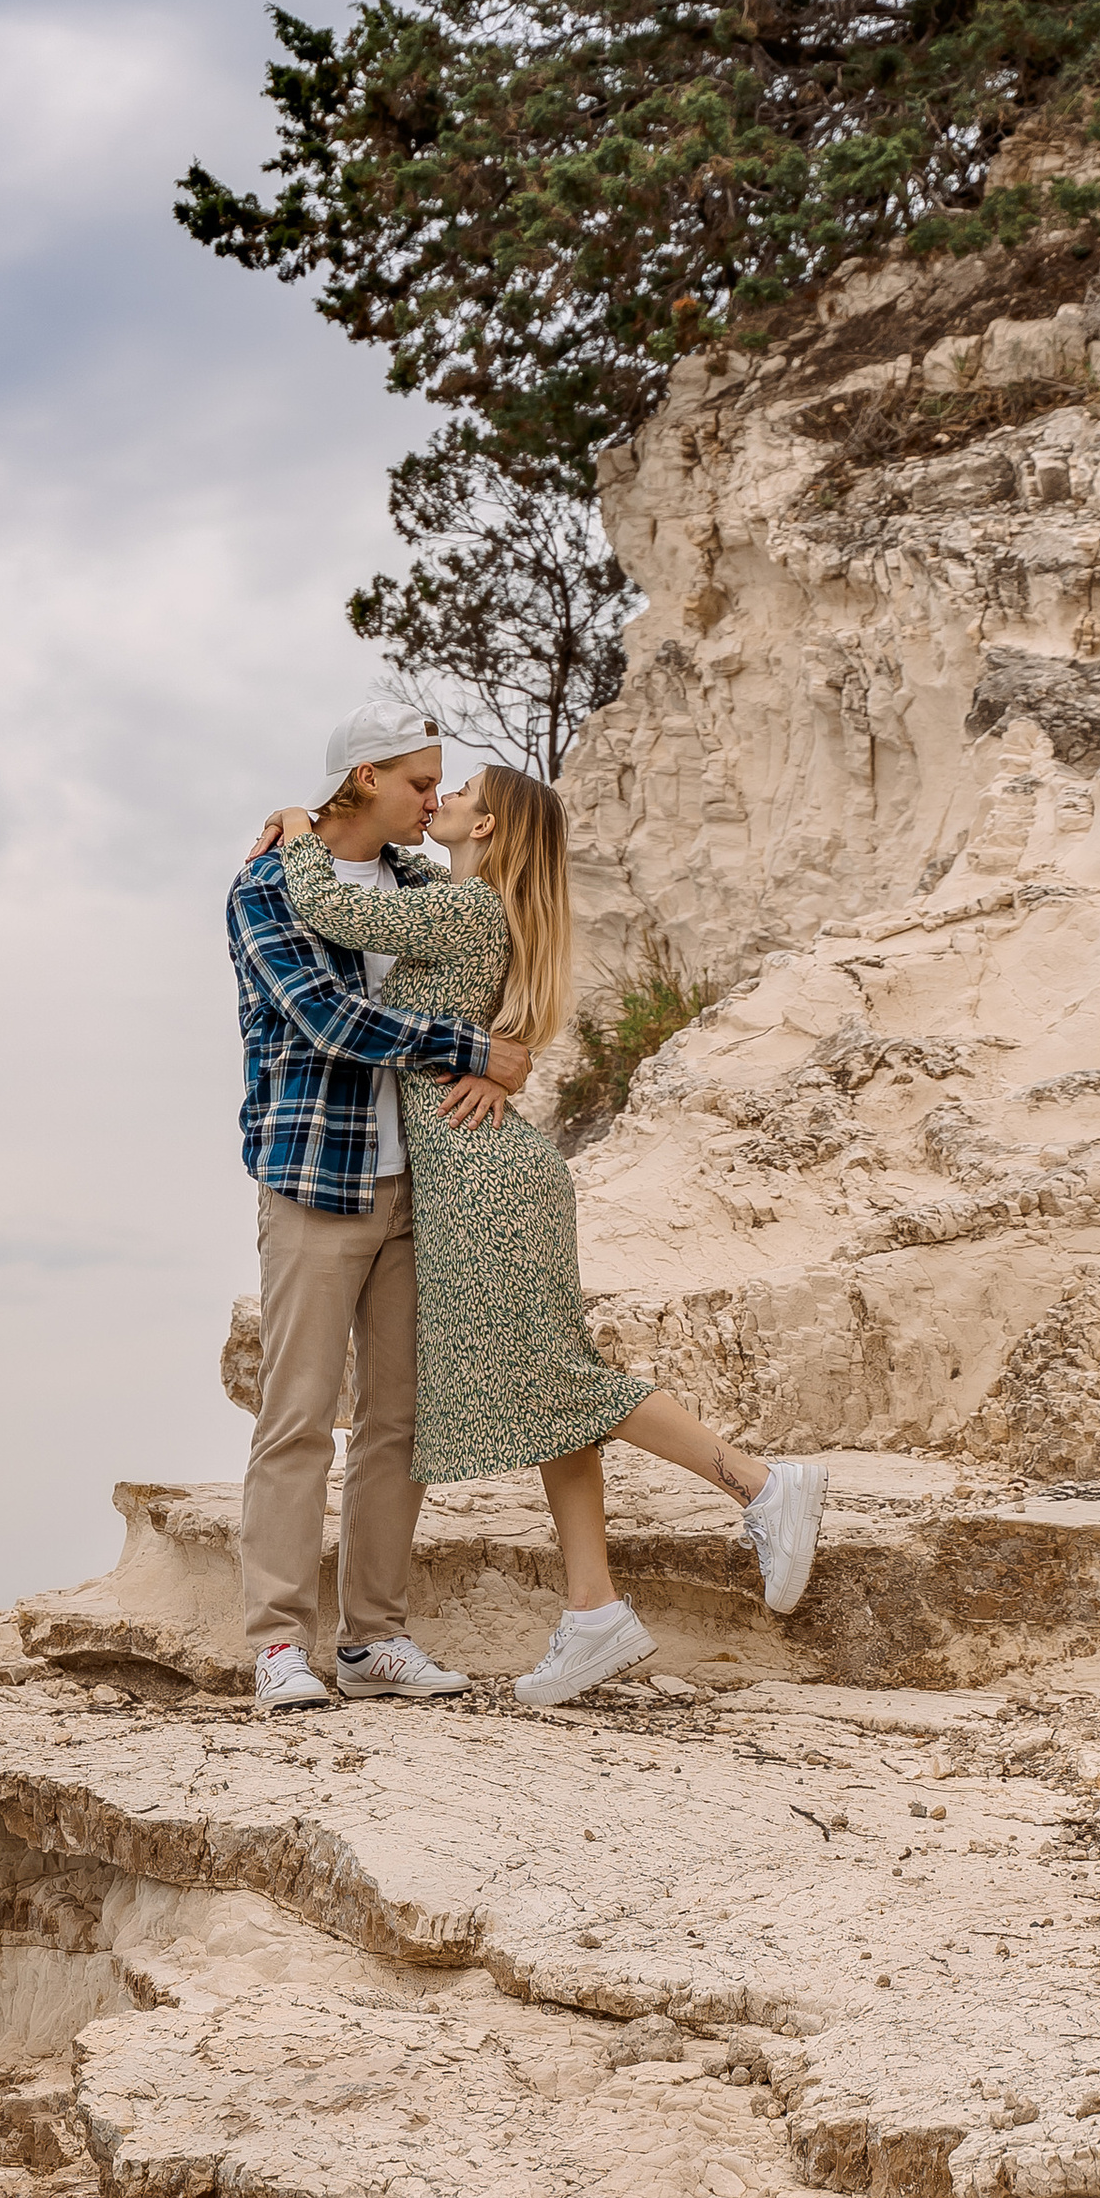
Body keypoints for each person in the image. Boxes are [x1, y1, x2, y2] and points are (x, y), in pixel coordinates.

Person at [273, 761, 827, 1709]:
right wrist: (494, 1063)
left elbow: (339, 913)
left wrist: (294, 822)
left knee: (556, 1383)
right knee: (549, 1394)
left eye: (458, 795)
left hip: (485, 1184)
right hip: (479, 1173)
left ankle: (761, 1484)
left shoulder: (466, 909)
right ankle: (593, 1613)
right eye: (430, 786)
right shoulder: (466, 902)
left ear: (486, 830)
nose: (439, 800)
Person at [228, 693, 539, 1717]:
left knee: (397, 1421)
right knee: (298, 1418)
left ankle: (372, 1638)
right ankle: (278, 1642)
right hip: (316, 1178)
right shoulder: (266, 886)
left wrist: (502, 1066)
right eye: (417, 782)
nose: (431, 799)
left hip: (424, 1183)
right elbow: (329, 1020)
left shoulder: (418, 880)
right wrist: (469, 1052)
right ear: (365, 778)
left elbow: (490, 968)